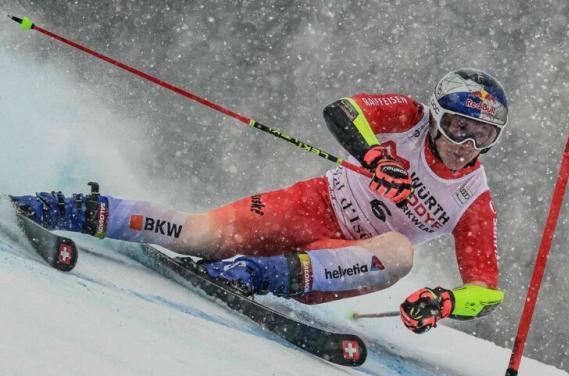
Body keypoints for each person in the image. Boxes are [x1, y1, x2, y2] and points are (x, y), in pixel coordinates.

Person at [10, 68, 508, 334]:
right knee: (200, 235)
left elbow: (486, 290)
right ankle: (70, 208)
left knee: (401, 252)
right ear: (438, 116)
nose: (466, 144)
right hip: (313, 205)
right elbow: (343, 110)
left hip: (339, 265)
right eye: (459, 127)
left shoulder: (472, 196)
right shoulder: (410, 115)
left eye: (482, 136)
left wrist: (442, 303)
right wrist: (376, 157)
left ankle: (254, 275)